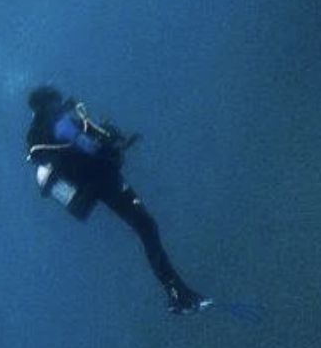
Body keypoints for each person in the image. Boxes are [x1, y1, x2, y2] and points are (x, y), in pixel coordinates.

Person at [25, 85, 211, 314]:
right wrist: (110, 143)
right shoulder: (57, 119)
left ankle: (178, 293)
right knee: (146, 226)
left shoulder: (36, 133)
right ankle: (178, 294)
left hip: (87, 188)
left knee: (144, 227)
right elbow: (88, 145)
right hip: (104, 178)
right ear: (49, 100)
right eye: (56, 99)